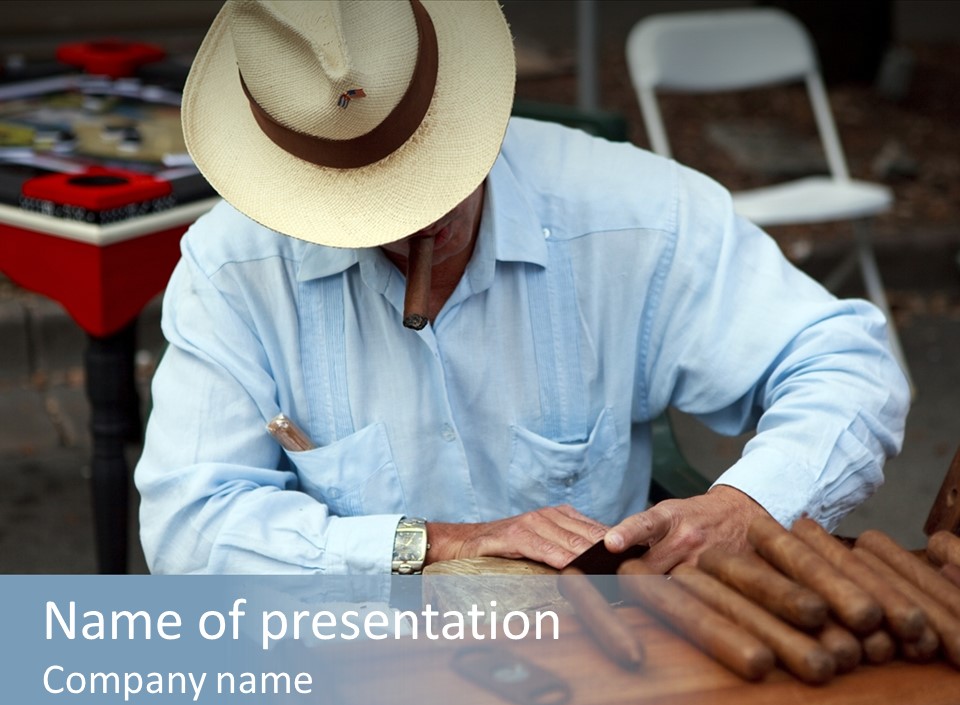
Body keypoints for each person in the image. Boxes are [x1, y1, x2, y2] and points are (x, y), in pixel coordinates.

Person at [135, 0, 910, 576]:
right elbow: (188, 526)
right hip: (356, 660)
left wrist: (749, 508)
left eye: (430, 182)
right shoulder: (234, 267)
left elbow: (845, 363)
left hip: (602, 651)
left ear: (461, 119)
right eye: (372, 212)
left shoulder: (630, 213)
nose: (418, 230)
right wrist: (431, 547)